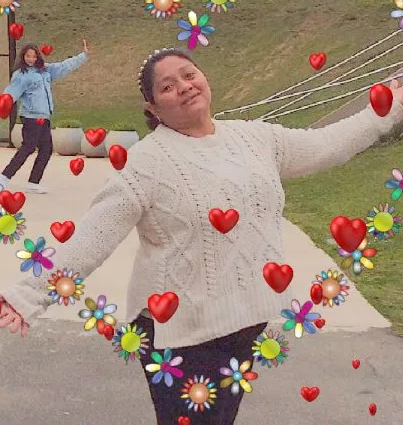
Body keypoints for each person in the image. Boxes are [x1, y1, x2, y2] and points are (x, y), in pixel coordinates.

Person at [0, 47, 402, 424]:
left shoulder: (255, 138)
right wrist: (27, 295)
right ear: (152, 107)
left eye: (189, 75)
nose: (185, 86)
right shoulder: (146, 163)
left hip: (244, 321)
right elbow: (92, 237)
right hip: (178, 334)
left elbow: (326, 145)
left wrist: (388, 108)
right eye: (168, 86)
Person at [0, 40, 89, 194]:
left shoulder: (45, 70)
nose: (31, 59)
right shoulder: (21, 75)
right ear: (23, 57)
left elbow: (64, 66)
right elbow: (10, 93)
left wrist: (83, 56)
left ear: (38, 57)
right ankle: (4, 177)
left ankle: (33, 182)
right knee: (28, 147)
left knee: (47, 149)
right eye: (28, 56)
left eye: (33, 56)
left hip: (44, 117)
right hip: (30, 117)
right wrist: (4, 104)